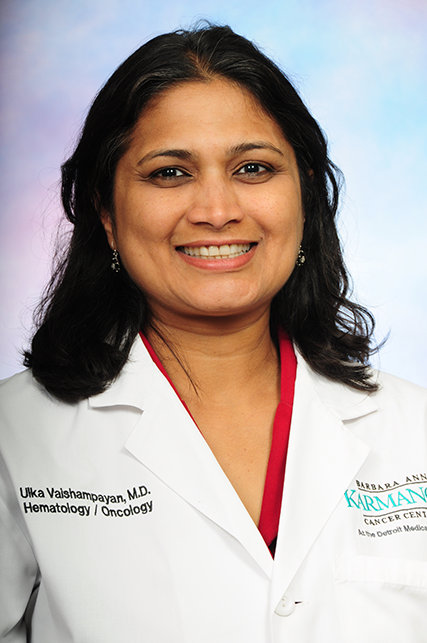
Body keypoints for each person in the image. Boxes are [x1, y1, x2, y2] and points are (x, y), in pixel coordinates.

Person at [0, 23, 426, 643]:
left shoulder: (415, 430)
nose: (217, 210)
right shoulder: (15, 436)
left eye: (253, 167)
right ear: (105, 210)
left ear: (305, 194)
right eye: (170, 173)